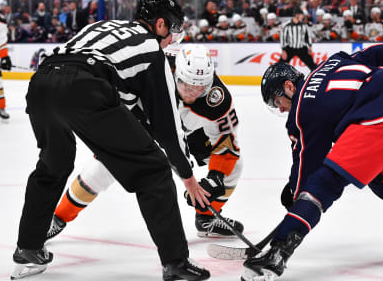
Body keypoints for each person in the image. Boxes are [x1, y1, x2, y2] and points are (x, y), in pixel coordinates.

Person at [11, 0, 210, 281]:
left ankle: (28, 248)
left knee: (53, 165)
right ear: (159, 25)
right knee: (153, 170)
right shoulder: (152, 51)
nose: (170, 40)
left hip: (42, 83)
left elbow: (122, 100)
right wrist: (188, 178)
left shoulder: (103, 26)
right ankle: (176, 263)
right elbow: (167, 128)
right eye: (172, 30)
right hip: (84, 87)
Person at [241, 48, 383, 281]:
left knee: (324, 183)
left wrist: (294, 196)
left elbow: (306, 162)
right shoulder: (333, 61)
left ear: (289, 87)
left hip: (381, 120)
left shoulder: (300, 110)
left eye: (278, 102)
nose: (282, 109)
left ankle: (276, 254)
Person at [45, 44, 245, 240]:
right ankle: (58, 217)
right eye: (187, 85)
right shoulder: (152, 68)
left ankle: (207, 219)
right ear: (176, 73)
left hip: (187, 131)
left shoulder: (217, 99)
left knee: (234, 165)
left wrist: (216, 178)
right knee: (102, 168)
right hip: (142, 123)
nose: (193, 92)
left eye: (200, 87)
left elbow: (225, 143)